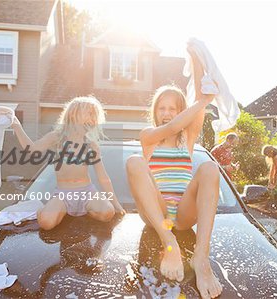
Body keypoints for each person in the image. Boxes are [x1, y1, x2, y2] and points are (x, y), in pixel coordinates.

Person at [126, 47, 222, 299]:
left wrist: (195, 57)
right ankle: (170, 243)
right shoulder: (149, 137)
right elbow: (174, 125)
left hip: (182, 214)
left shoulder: (187, 140)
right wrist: (203, 102)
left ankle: (201, 256)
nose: (167, 113)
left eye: (173, 108)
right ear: (155, 112)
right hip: (156, 215)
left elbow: (200, 98)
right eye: (162, 108)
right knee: (135, 162)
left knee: (210, 167)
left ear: (182, 111)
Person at [12, 96, 125, 230]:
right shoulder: (57, 138)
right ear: (73, 114)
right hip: (63, 194)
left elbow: (103, 177)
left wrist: (115, 203)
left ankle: (85, 211)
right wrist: (16, 125)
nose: (93, 118)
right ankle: (45, 211)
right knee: (46, 223)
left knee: (108, 212)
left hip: (87, 192)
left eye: (95, 115)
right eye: (89, 113)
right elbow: (31, 150)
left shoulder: (91, 145)